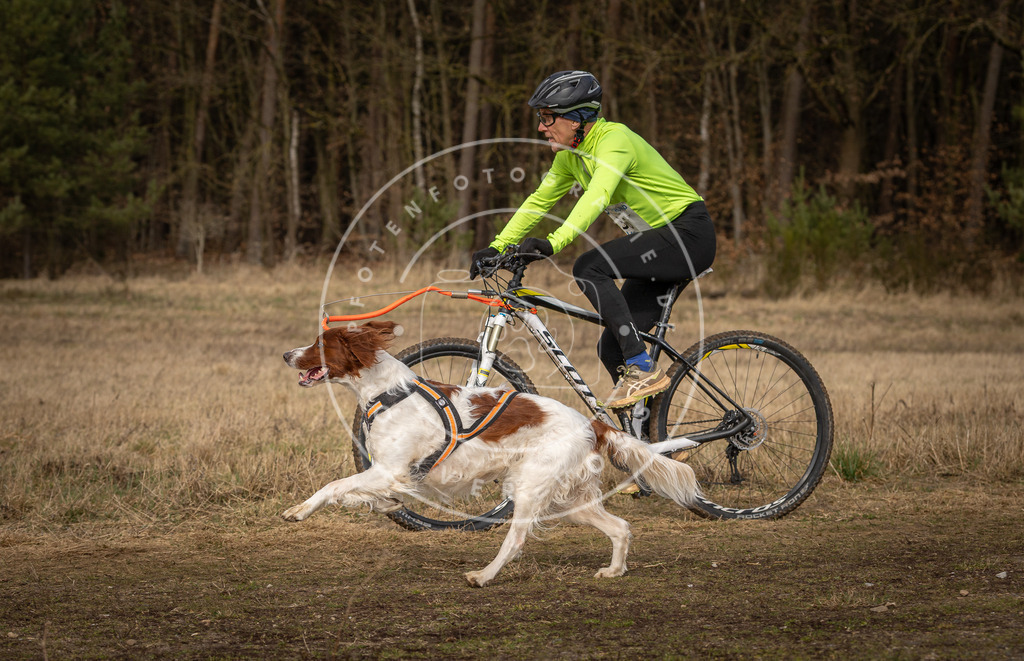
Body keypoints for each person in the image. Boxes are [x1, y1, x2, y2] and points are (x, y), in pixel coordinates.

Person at [470, 70, 716, 410]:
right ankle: (658, 443)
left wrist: (554, 242)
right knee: (612, 349)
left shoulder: (615, 140)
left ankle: (643, 368)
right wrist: (499, 246)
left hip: (688, 233)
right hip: (659, 241)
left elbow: (596, 196)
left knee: (589, 267)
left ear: (574, 121)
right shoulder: (569, 156)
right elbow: (539, 201)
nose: (541, 127)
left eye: (547, 117)